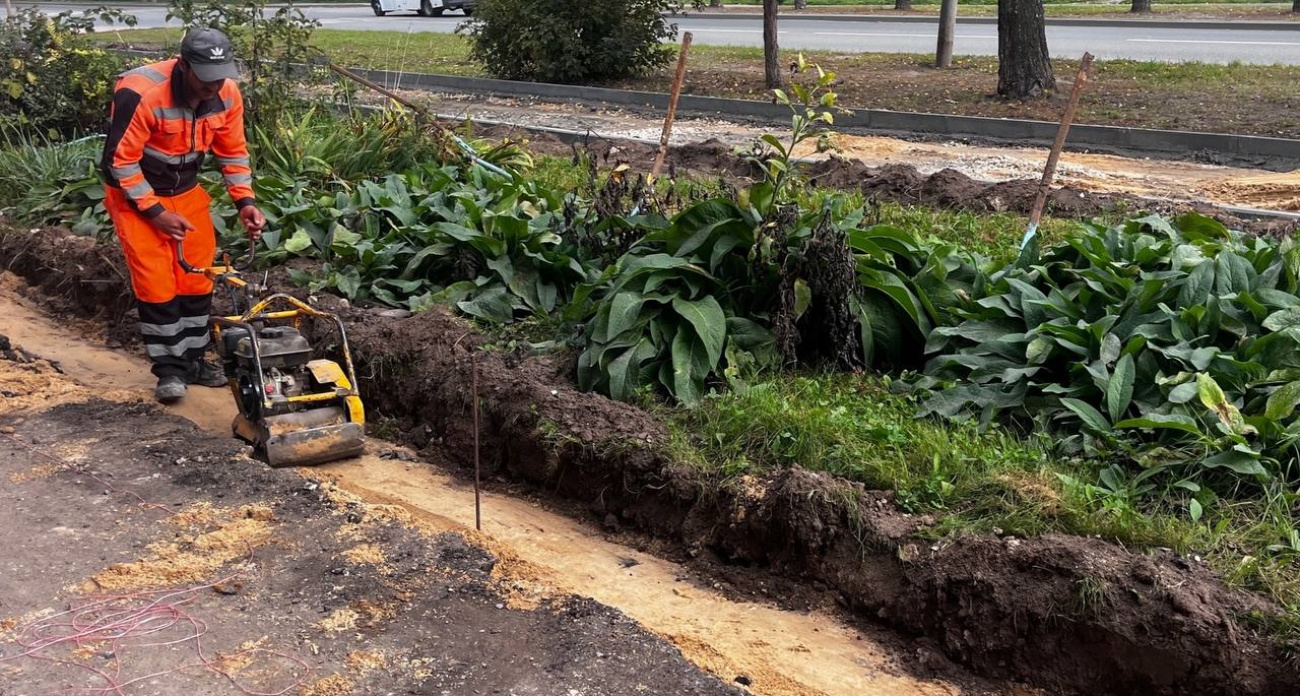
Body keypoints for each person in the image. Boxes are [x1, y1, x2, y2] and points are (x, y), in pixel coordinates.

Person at [100, 27, 266, 404]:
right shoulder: (140, 93)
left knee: (196, 280)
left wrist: (246, 201)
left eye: (222, 76)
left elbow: (234, 151)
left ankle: (193, 360)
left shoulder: (226, 94)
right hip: (135, 195)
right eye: (207, 77)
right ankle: (170, 370)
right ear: (184, 66)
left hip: (186, 193)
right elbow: (118, 164)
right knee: (157, 285)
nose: (215, 85)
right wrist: (155, 213)